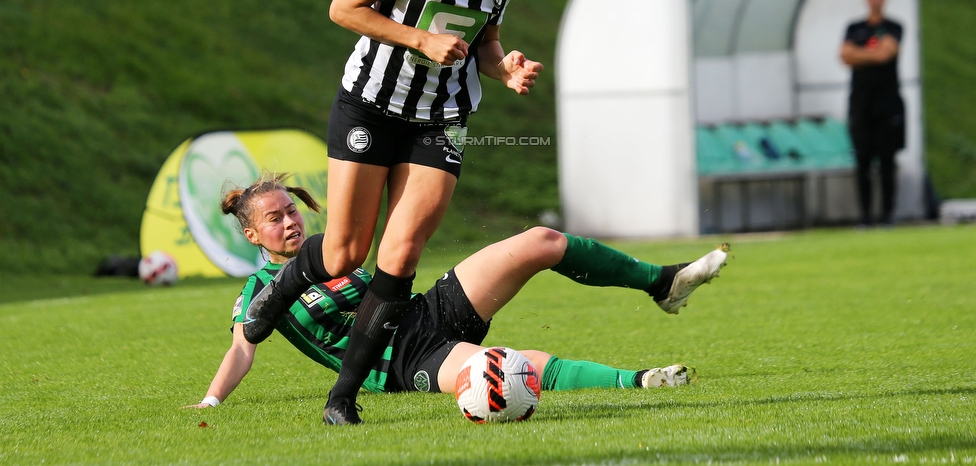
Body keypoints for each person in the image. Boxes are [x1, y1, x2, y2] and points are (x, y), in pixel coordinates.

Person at [240, 0, 544, 424]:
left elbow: (484, 41)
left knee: (399, 255)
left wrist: (505, 68)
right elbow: (345, 8)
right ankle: (277, 294)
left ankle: (342, 400)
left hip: (444, 115)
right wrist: (420, 40)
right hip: (372, 105)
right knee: (342, 253)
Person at [188, 175, 730, 416]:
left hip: (425, 312)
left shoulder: (336, 253)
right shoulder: (260, 291)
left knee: (540, 241)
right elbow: (243, 347)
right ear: (253, 235)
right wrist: (211, 402)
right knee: (501, 368)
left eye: (290, 211)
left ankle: (662, 282)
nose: (288, 222)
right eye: (273, 219)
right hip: (400, 361)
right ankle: (637, 380)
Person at [839, 0, 905, 227]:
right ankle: (865, 216)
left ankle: (887, 214)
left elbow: (885, 54)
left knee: (887, 161)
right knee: (862, 160)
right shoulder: (854, 27)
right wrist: (870, 55)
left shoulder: (893, 27)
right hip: (861, 102)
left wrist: (859, 55)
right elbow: (844, 55)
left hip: (886, 103)